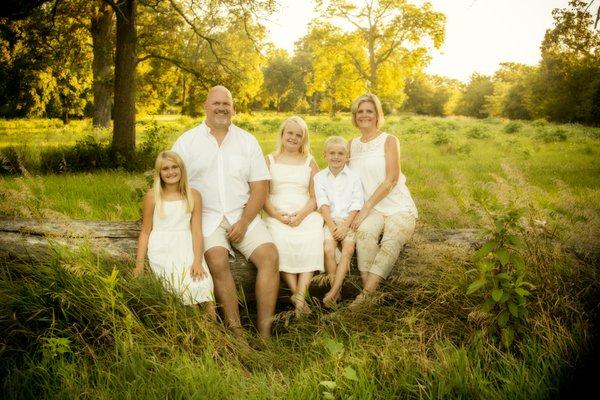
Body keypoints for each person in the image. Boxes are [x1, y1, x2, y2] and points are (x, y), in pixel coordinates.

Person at [171, 86, 279, 338]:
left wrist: (244, 221)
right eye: (216, 103)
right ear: (206, 106)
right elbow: (170, 178)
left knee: (270, 257)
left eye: (226, 104)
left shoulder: (247, 141)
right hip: (205, 217)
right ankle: (237, 333)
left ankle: (264, 335)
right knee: (218, 262)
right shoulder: (187, 141)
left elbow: (260, 187)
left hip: (243, 213)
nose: (221, 108)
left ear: (233, 108)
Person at [348, 93, 418, 309]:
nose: (364, 115)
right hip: (371, 208)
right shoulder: (351, 144)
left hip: (397, 204)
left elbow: (391, 179)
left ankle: (364, 298)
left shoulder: (389, 140)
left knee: (391, 239)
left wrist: (366, 207)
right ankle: (370, 293)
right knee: (364, 235)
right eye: (360, 111)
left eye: (369, 111)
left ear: (377, 114)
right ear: (354, 116)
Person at [134, 151, 215, 315]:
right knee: (186, 295)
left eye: (174, 167)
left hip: (186, 247)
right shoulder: (152, 196)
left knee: (205, 289)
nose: (171, 172)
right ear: (159, 173)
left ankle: (216, 336)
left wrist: (198, 260)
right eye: (165, 169)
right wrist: (139, 264)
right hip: (163, 249)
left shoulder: (193, 195)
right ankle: (197, 334)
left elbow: (197, 230)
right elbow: (145, 231)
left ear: (181, 169)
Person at [263, 116, 323, 316]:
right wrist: (277, 215)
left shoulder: (309, 161)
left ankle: (300, 295)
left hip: (304, 210)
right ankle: (295, 292)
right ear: (282, 134)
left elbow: (315, 197)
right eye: (290, 133)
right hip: (277, 211)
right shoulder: (269, 160)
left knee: (313, 233)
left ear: (303, 139)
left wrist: (301, 215)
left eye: (299, 135)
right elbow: (262, 197)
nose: (293, 138)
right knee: (279, 238)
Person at [313, 136, 364, 308]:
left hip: (348, 221)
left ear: (347, 156)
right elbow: (322, 203)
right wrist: (333, 226)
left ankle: (334, 290)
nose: (336, 157)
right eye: (332, 153)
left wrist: (345, 226)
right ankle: (338, 292)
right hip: (330, 220)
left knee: (348, 248)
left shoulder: (354, 177)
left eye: (340, 153)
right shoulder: (320, 177)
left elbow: (357, 203)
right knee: (328, 249)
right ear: (325, 155)